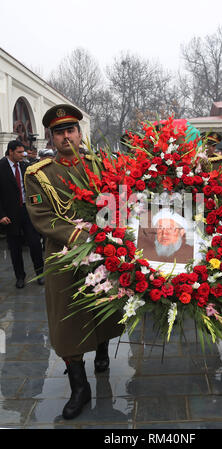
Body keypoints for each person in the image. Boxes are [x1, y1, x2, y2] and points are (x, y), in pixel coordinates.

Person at [24, 104, 123, 420]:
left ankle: (103, 350)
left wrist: (110, 235)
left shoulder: (100, 165)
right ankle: (80, 387)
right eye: (59, 132)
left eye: (71, 130)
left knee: (104, 309)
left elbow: (117, 201)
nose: (66, 136)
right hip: (64, 256)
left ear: (81, 134)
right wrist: (83, 239)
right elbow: (42, 217)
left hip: (105, 254)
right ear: (51, 139)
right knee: (66, 319)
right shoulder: (40, 175)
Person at [0, 140, 44, 289]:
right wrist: (1, 214)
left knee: (35, 244)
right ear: (10, 152)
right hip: (10, 215)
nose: (22, 155)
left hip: (28, 212)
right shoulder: (1, 167)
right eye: (19, 152)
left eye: (23, 152)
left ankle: (40, 273)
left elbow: (33, 190)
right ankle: (20, 277)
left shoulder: (26, 167)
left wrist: (37, 207)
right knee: (15, 248)